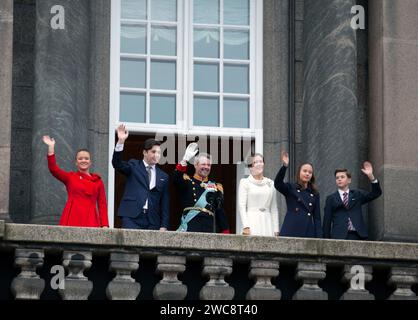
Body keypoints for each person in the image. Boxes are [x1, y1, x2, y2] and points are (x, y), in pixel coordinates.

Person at [42, 135, 109, 228]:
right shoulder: (70, 177)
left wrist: (104, 225)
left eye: (86, 158)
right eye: (80, 158)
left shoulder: (98, 181)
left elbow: (102, 204)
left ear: (90, 162)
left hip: (91, 218)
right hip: (72, 216)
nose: (83, 160)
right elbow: (54, 169)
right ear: (76, 162)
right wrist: (51, 147)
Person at [112, 124, 169, 230]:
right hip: (132, 217)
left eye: (159, 153)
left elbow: (164, 203)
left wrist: (164, 225)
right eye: (153, 152)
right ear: (144, 152)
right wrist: (120, 141)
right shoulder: (134, 165)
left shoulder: (163, 176)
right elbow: (117, 164)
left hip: (152, 220)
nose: (156, 155)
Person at [173, 143, 230, 233]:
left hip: (209, 227)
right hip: (191, 226)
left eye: (209, 165)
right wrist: (184, 161)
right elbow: (175, 178)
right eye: (203, 164)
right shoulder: (187, 181)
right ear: (195, 165)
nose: (206, 167)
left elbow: (220, 210)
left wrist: (225, 230)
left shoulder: (216, 186)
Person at [323, 162, 382, 240]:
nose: (339, 179)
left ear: (349, 180)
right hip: (339, 236)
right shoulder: (331, 198)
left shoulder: (357, 194)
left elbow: (376, 193)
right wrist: (326, 240)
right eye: (337, 178)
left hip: (358, 235)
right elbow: (327, 221)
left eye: (342, 177)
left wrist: (371, 176)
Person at [274, 151, 322, 238]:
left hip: (307, 231)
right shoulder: (291, 188)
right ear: (299, 172)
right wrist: (284, 166)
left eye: (310, 172)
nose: (307, 174)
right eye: (304, 171)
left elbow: (317, 218)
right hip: (291, 229)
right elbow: (278, 184)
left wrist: (319, 238)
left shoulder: (314, 193)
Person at [238, 153, 279, 237]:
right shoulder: (245, 182)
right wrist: (246, 226)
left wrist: (276, 229)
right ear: (250, 167)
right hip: (252, 221)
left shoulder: (271, 183)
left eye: (261, 161)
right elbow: (241, 206)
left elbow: (274, 208)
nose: (259, 164)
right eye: (255, 162)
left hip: (267, 222)